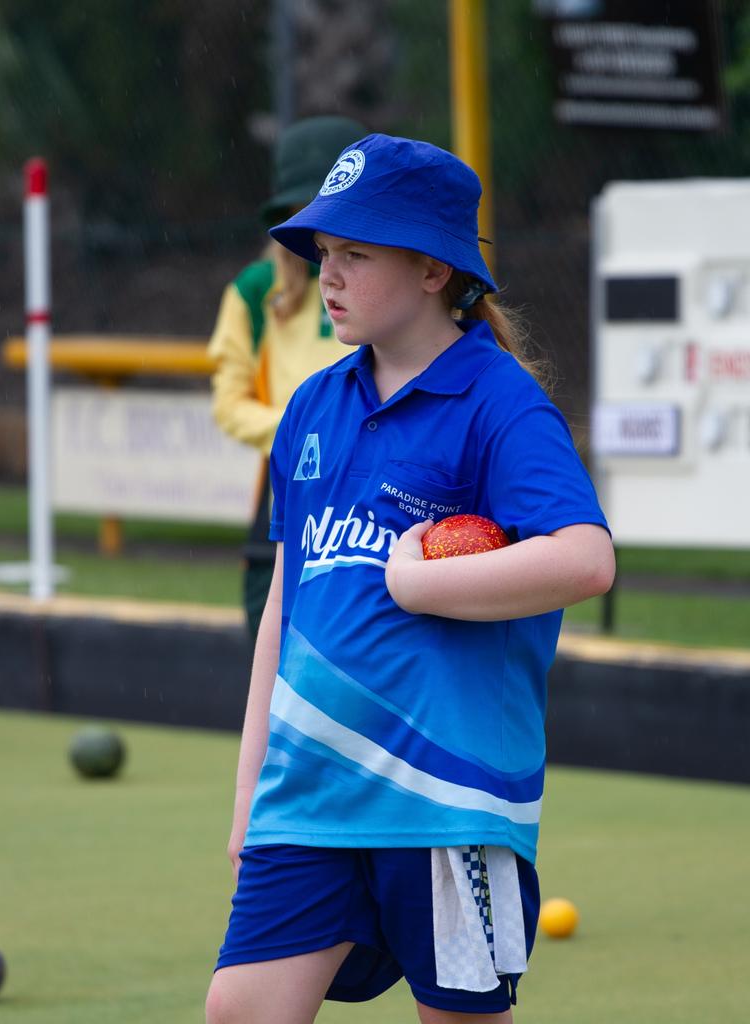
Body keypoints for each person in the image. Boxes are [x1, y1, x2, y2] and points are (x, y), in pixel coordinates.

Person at [205, 134, 615, 1024]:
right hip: (307, 799)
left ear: (434, 270)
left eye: (356, 254)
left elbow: (587, 557)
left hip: (444, 808)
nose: (329, 276)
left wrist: (420, 584)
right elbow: (285, 606)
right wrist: (248, 797)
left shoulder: (500, 402)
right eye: (324, 254)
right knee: (237, 1012)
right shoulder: (312, 406)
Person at [207, 115, 366, 639]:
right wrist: (311, 436)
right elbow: (229, 405)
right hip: (285, 501)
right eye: (309, 209)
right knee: (271, 670)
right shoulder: (255, 290)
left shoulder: (390, 287)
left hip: (375, 501)